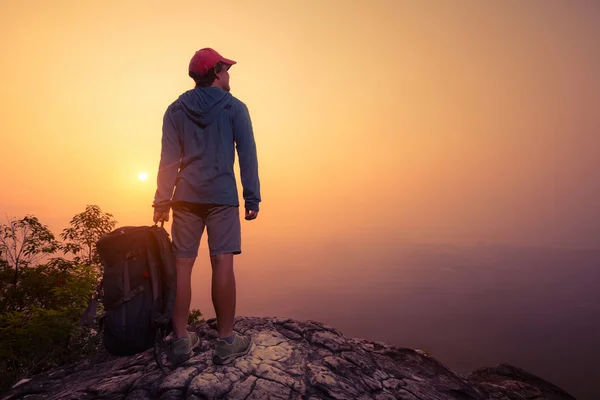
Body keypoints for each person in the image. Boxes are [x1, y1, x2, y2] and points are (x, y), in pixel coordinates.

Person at [152, 47, 261, 365]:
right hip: (222, 198)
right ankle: (226, 341)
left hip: (185, 198)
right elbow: (248, 155)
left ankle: (181, 340)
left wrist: (162, 201)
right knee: (222, 264)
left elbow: (168, 159)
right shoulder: (235, 108)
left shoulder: (175, 109)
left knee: (181, 268)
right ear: (215, 73)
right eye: (225, 69)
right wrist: (251, 196)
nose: (229, 75)